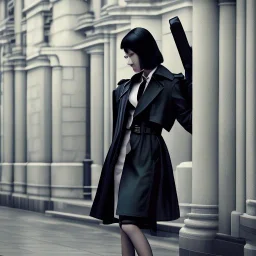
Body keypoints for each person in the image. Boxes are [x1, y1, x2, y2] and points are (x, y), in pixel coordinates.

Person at [90, 27, 192, 256]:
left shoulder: (170, 83)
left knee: (129, 221)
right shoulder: (128, 85)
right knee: (123, 220)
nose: (127, 60)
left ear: (144, 51)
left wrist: (196, 90)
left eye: (130, 54)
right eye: (125, 55)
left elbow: (190, 121)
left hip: (147, 153)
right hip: (121, 154)